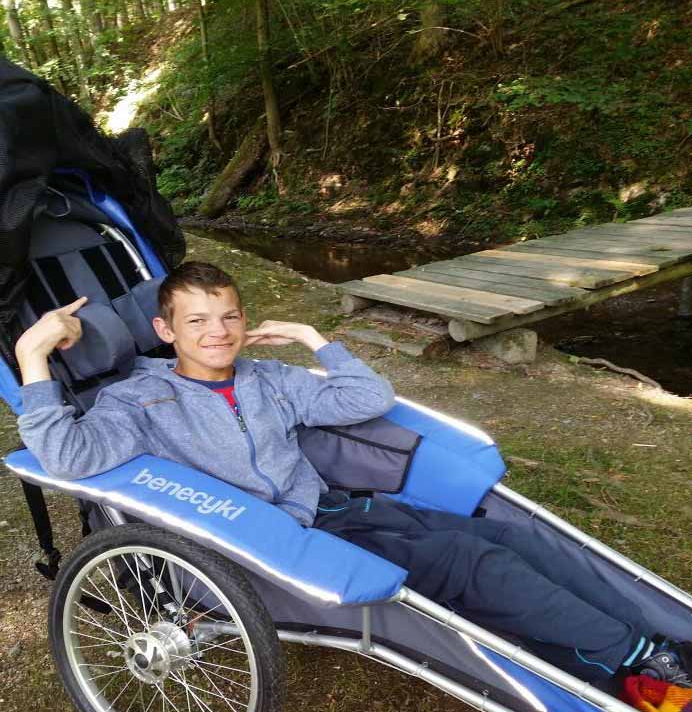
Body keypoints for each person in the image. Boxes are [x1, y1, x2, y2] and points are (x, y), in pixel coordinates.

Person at [14, 261, 691, 690]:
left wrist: (315, 340)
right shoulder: (137, 399)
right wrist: (33, 357)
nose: (217, 332)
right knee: (471, 563)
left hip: (336, 512)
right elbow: (66, 456)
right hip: (266, 543)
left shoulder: (268, 378)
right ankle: (637, 658)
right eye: (197, 321)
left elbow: (367, 397)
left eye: (229, 316)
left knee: (511, 538)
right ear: (166, 330)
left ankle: (661, 633)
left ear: (244, 320)